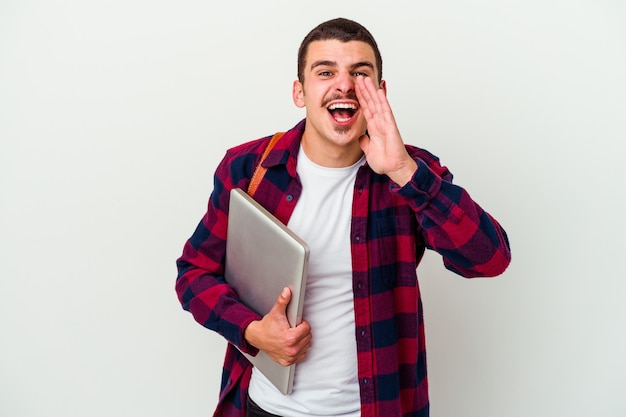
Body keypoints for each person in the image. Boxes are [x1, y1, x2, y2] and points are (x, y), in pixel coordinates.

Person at [175, 17, 511, 417]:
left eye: (360, 73)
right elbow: (193, 273)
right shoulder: (249, 168)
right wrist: (252, 332)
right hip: (263, 407)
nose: (344, 84)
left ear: (381, 92)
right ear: (299, 91)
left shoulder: (412, 173)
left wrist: (404, 171)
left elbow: (489, 259)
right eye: (325, 72)